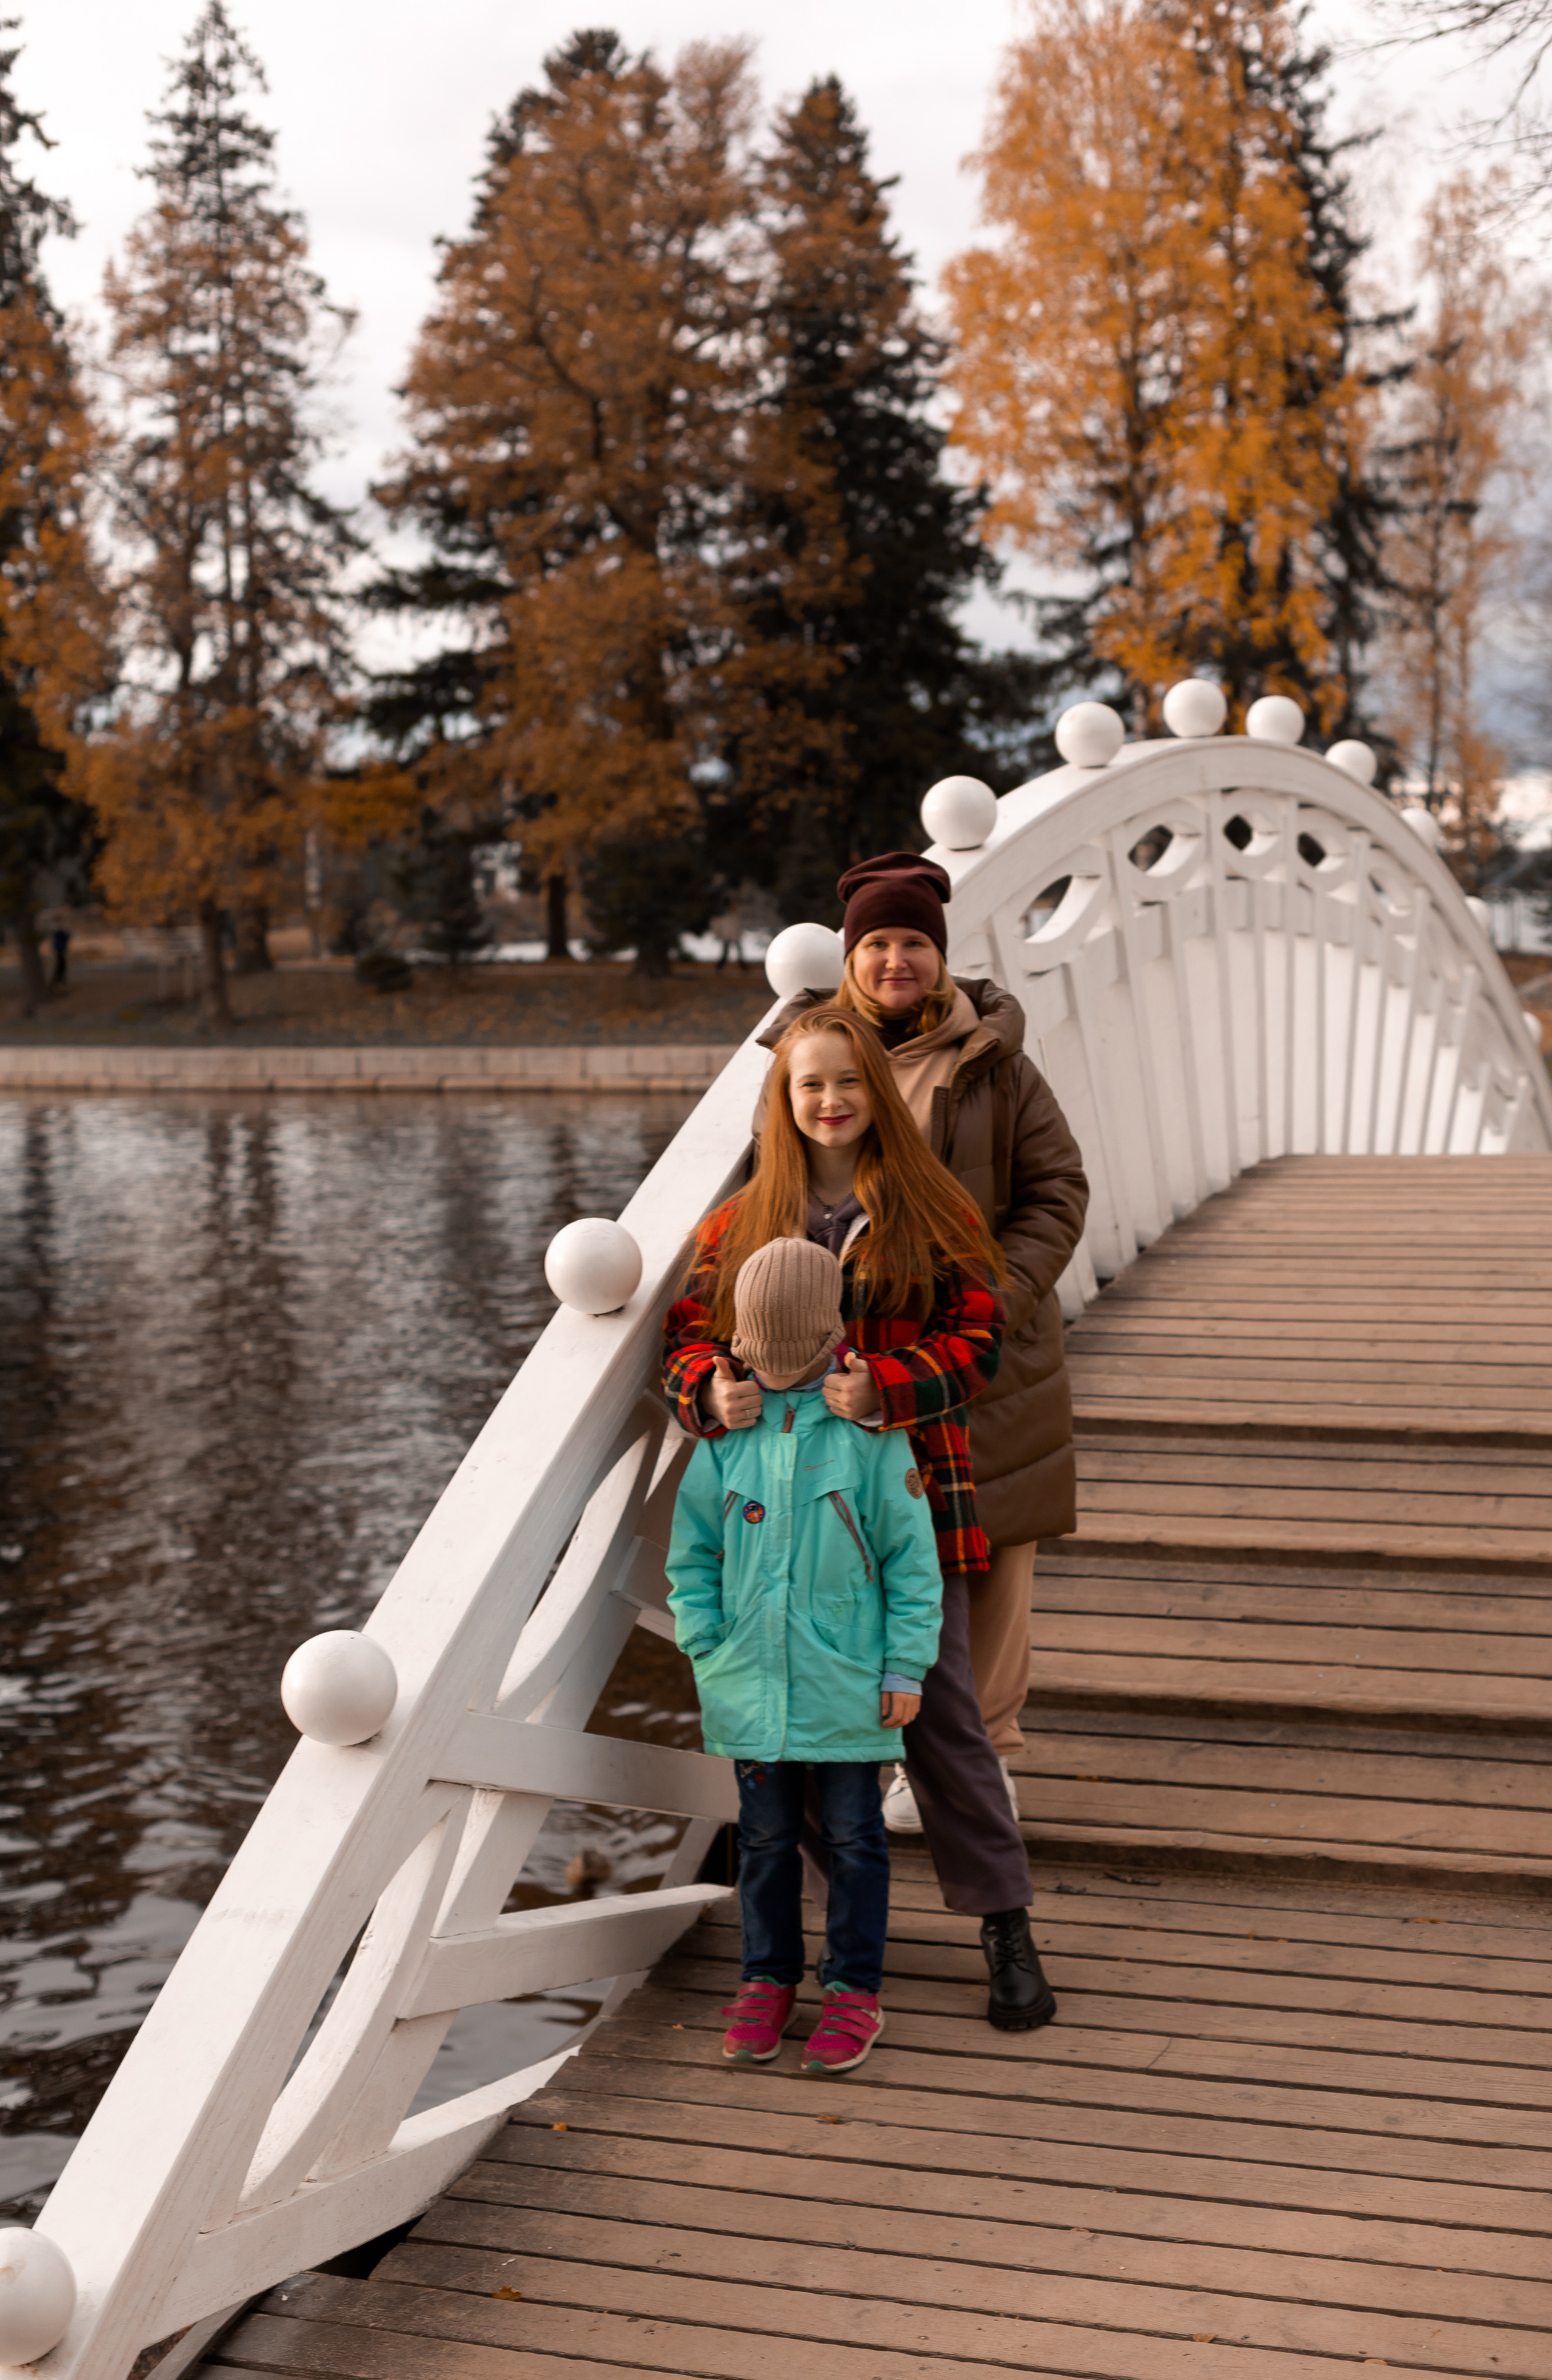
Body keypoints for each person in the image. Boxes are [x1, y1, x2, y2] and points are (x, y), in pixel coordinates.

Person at [665, 1004, 1057, 2030]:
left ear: (875, 1093)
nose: (831, 1100)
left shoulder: (935, 1208)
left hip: (903, 1500)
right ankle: (845, 1941)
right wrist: (708, 1389)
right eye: (810, 1086)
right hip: (777, 1519)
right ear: (784, 1104)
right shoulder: (741, 1220)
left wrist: (890, 1384)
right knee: (796, 1734)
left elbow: (981, 1339)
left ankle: (1003, 1918)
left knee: (942, 1721)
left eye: (847, 1082)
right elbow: (683, 1335)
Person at [760, 851, 1089, 1834]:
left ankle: (985, 1752)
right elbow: (766, 1186)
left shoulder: (994, 1060)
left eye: (913, 942)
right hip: (853, 1354)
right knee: (869, 1547)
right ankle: (886, 1747)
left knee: (988, 1552)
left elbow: (1057, 1192)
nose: (895, 959)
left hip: (987, 1349)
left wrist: (1000, 1290)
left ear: (940, 956)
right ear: (850, 957)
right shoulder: (809, 1056)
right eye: (877, 943)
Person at [667, 1235, 945, 2075]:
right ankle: (767, 1977)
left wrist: (905, 1667)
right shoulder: (723, 1438)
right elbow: (692, 1555)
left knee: (857, 1835)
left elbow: (911, 1560)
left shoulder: (870, 1436)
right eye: (764, 1358)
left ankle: (854, 1987)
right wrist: (705, 1643)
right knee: (763, 1838)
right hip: (749, 1680)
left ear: (833, 1338)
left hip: (847, 1680)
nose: (778, 1372)